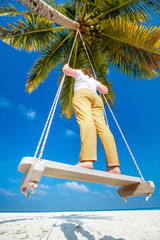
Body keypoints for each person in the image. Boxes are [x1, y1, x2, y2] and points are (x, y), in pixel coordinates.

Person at [62, 64, 120, 174]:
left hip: (82, 94)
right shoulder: (94, 81)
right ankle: (114, 167)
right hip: (97, 99)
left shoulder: (79, 73)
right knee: (103, 128)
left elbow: (66, 70)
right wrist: (100, 84)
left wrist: (66, 65)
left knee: (86, 120)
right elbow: (105, 90)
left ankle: (86, 160)